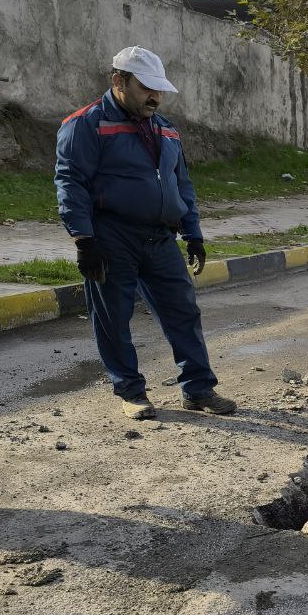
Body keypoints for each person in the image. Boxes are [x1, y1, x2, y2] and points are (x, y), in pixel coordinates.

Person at [55, 46, 235, 420]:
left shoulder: (166, 129)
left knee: (183, 311)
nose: (155, 97)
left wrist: (194, 233)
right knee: (113, 318)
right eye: (146, 88)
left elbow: (181, 184)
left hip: (160, 238)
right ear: (118, 81)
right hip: (111, 236)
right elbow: (70, 183)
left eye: (159, 89)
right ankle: (131, 392)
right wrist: (83, 240)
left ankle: (198, 389)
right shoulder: (86, 124)